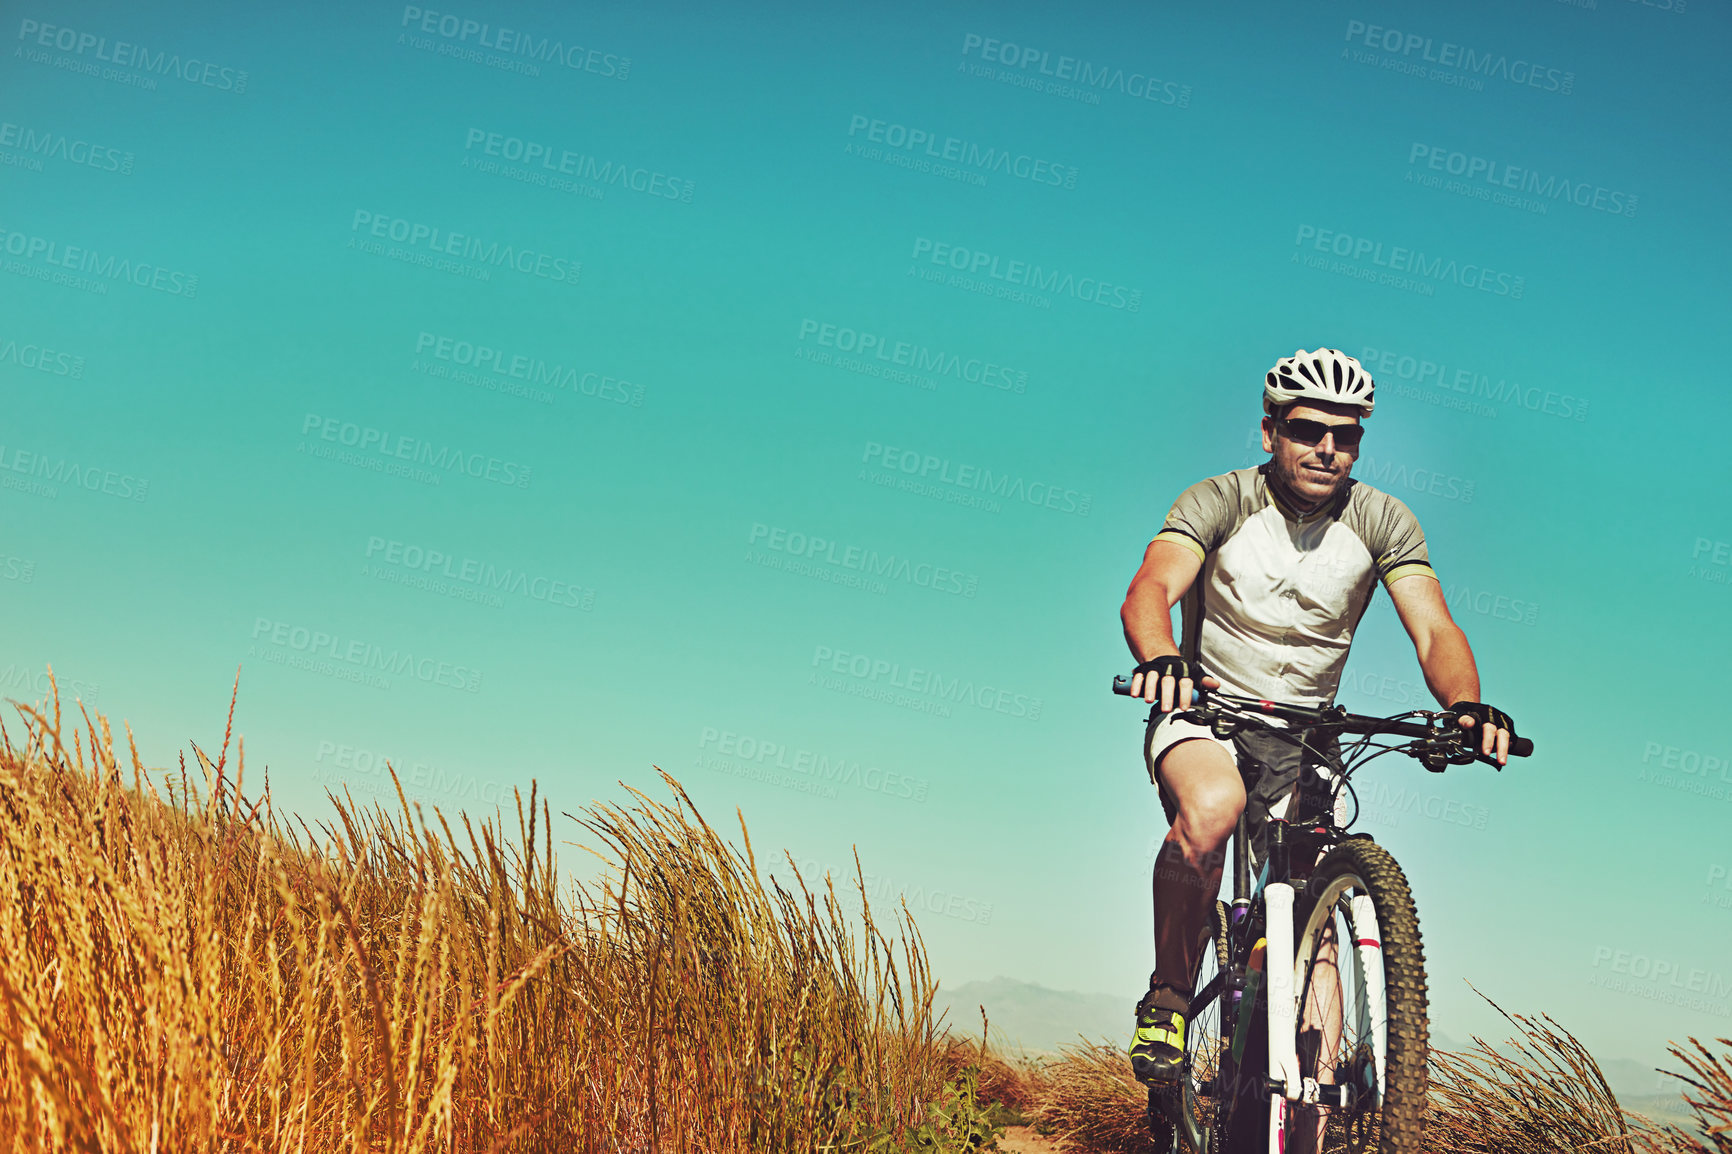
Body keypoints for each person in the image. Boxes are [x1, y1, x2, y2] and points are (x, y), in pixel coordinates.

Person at [1118, 348, 1516, 1112]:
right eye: (1307, 429)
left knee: (1319, 924)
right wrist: (1162, 659)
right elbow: (1150, 589)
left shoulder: (1381, 519)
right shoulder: (1222, 499)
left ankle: (1308, 1112)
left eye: (1347, 434)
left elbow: (1433, 628)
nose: (1328, 448)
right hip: (1204, 707)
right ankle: (1169, 998)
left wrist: (1465, 705)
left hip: (1306, 736)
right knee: (1212, 809)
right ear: (1270, 430)